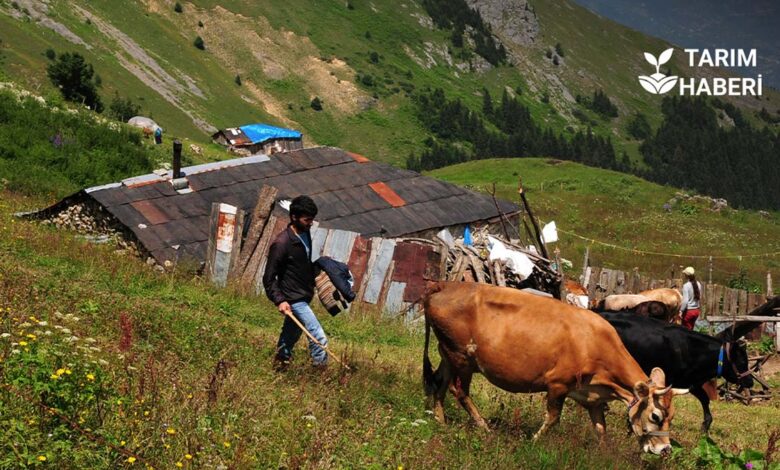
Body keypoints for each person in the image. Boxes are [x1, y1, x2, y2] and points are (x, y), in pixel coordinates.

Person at [263, 195, 328, 370]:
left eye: (312, 219)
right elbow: (268, 278)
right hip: (293, 298)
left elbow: (302, 263)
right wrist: (280, 300)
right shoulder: (282, 244)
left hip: (304, 293)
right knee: (318, 335)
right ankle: (320, 373)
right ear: (294, 217)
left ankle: (280, 364)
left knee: (291, 333)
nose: (311, 223)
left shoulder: (304, 233)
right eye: (307, 220)